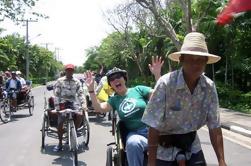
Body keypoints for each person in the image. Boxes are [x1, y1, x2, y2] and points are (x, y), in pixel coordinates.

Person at [142, 32, 227, 166]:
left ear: (206, 62)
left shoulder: (209, 87)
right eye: (190, 59)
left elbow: (215, 126)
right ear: (181, 59)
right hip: (164, 147)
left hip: (191, 145)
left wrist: (221, 161)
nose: (196, 64)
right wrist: (151, 163)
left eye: (200, 59)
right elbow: (153, 125)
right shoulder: (166, 83)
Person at [84, 56, 163, 166]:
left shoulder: (138, 90)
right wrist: (91, 90)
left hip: (156, 131)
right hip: (136, 135)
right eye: (112, 79)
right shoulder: (114, 100)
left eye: (118, 76)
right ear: (111, 85)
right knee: (132, 143)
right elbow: (98, 108)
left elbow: (160, 95)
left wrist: (157, 75)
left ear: (124, 79)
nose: (115, 80)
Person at [53, 63, 87, 152]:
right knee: (60, 122)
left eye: (71, 70)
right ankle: (60, 143)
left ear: (73, 71)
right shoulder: (60, 81)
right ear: (65, 71)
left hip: (73, 102)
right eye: (68, 70)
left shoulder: (77, 81)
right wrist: (57, 107)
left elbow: (80, 94)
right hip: (62, 102)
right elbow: (56, 94)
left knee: (80, 115)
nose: (69, 71)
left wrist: (84, 105)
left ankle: (73, 131)